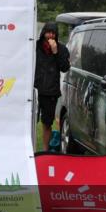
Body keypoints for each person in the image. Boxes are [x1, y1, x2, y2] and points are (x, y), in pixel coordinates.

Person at [34, 22, 70, 152]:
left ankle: (45, 150)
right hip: (35, 89)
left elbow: (65, 68)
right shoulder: (35, 46)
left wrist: (55, 52)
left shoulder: (61, 49)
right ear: (43, 32)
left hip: (51, 92)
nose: (50, 35)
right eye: (48, 32)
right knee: (31, 120)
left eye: (53, 33)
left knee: (47, 123)